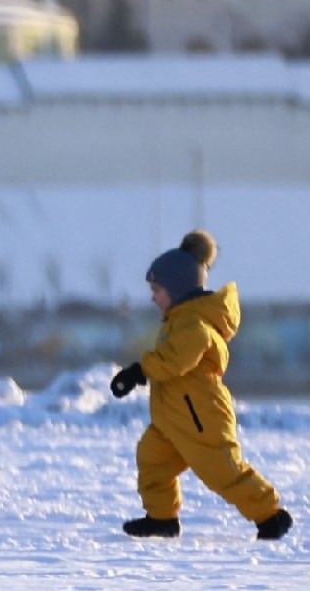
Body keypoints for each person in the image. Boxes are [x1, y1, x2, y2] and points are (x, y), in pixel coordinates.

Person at [108, 230, 293, 541]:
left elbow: (174, 360)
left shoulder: (193, 324)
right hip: (174, 419)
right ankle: (161, 518)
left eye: (158, 290)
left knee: (222, 471)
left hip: (200, 417)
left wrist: (138, 371)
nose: (153, 297)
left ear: (177, 288)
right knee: (152, 458)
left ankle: (270, 515)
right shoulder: (180, 320)